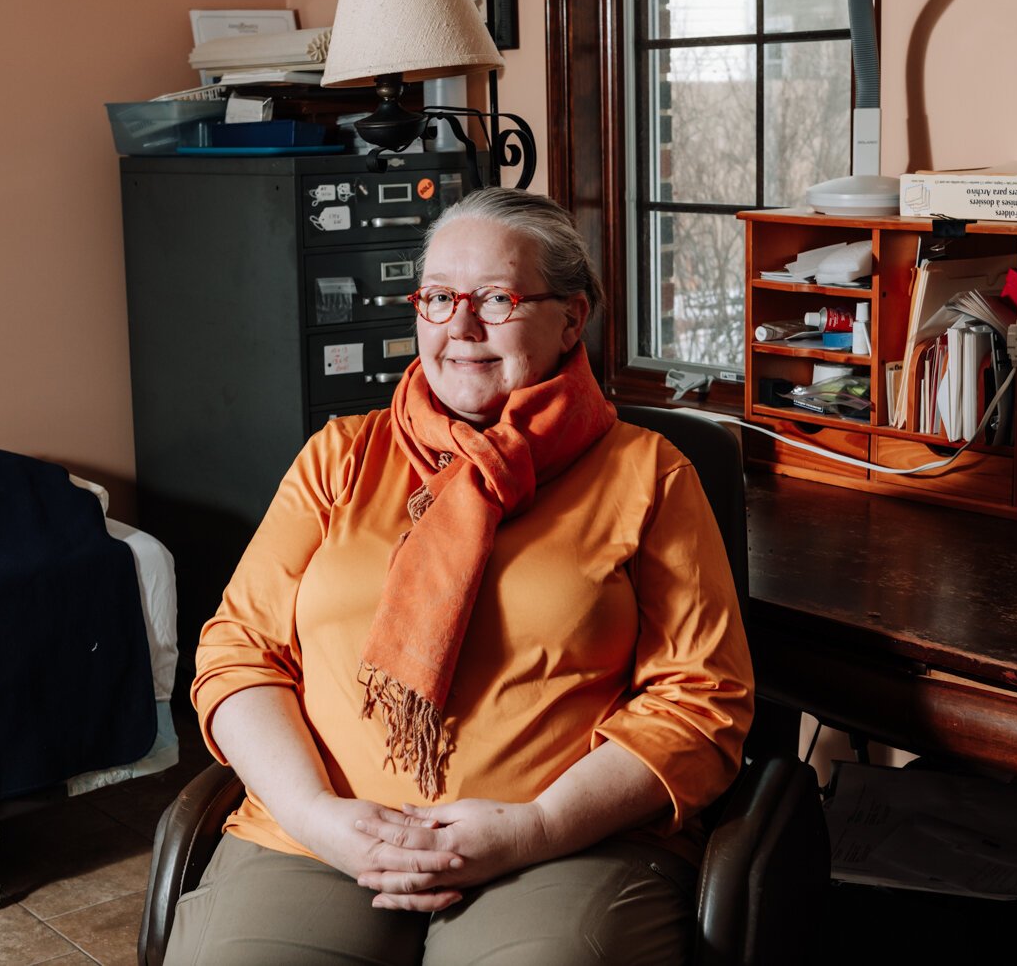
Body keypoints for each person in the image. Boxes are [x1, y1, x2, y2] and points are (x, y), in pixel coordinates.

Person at [169, 187, 753, 965]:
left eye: (496, 299)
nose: (460, 326)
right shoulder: (341, 457)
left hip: (566, 846)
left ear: (572, 317)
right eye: (439, 297)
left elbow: (701, 699)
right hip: (319, 838)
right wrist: (316, 815)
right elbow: (239, 652)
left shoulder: (649, 477)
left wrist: (536, 826)